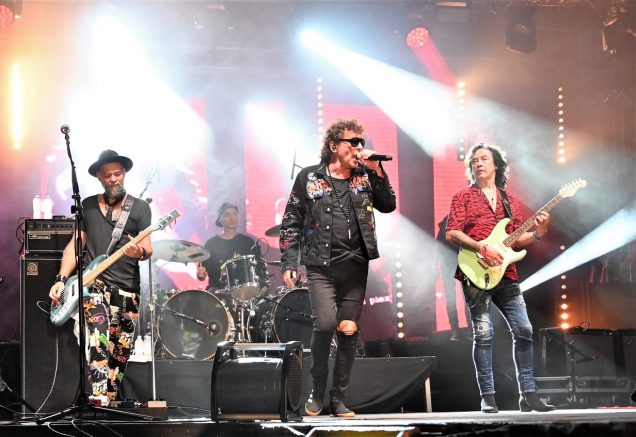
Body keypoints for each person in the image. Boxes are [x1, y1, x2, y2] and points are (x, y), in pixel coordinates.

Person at [280, 118, 396, 417]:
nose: (359, 147)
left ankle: (338, 397)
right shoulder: (309, 177)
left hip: (355, 264)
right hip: (321, 265)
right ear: (334, 145)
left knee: (348, 329)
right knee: (325, 325)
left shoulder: (365, 176)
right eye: (353, 142)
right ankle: (316, 391)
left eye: (361, 142)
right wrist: (289, 261)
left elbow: (388, 204)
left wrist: (377, 170)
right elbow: (291, 220)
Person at [445, 143, 556, 413]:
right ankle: (488, 397)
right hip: (475, 272)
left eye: (484, 159)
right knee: (484, 334)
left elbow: (516, 239)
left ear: (496, 165)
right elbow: (452, 233)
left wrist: (539, 232)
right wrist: (482, 247)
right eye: (474, 160)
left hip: (506, 273)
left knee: (524, 330)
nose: (478, 163)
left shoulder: (510, 201)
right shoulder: (463, 197)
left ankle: (528, 394)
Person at [49, 149, 153, 406]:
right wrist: (61, 278)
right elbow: (75, 245)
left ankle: (109, 403)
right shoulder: (88, 206)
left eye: (118, 174)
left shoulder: (140, 208)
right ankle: (97, 397)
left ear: (124, 173)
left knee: (120, 353)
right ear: (99, 177)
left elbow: (148, 249)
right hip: (94, 285)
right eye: (108, 175)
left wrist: (139, 252)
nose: (114, 179)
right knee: (99, 334)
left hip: (128, 288)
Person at [196, 202, 257, 290]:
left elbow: (258, 267)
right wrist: (200, 274)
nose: (232, 218)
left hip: (243, 291)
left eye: (235, 214)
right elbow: (201, 276)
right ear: (220, 219)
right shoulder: (211, 244)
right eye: (227, 215)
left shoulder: (248, 242)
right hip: (217, 291)